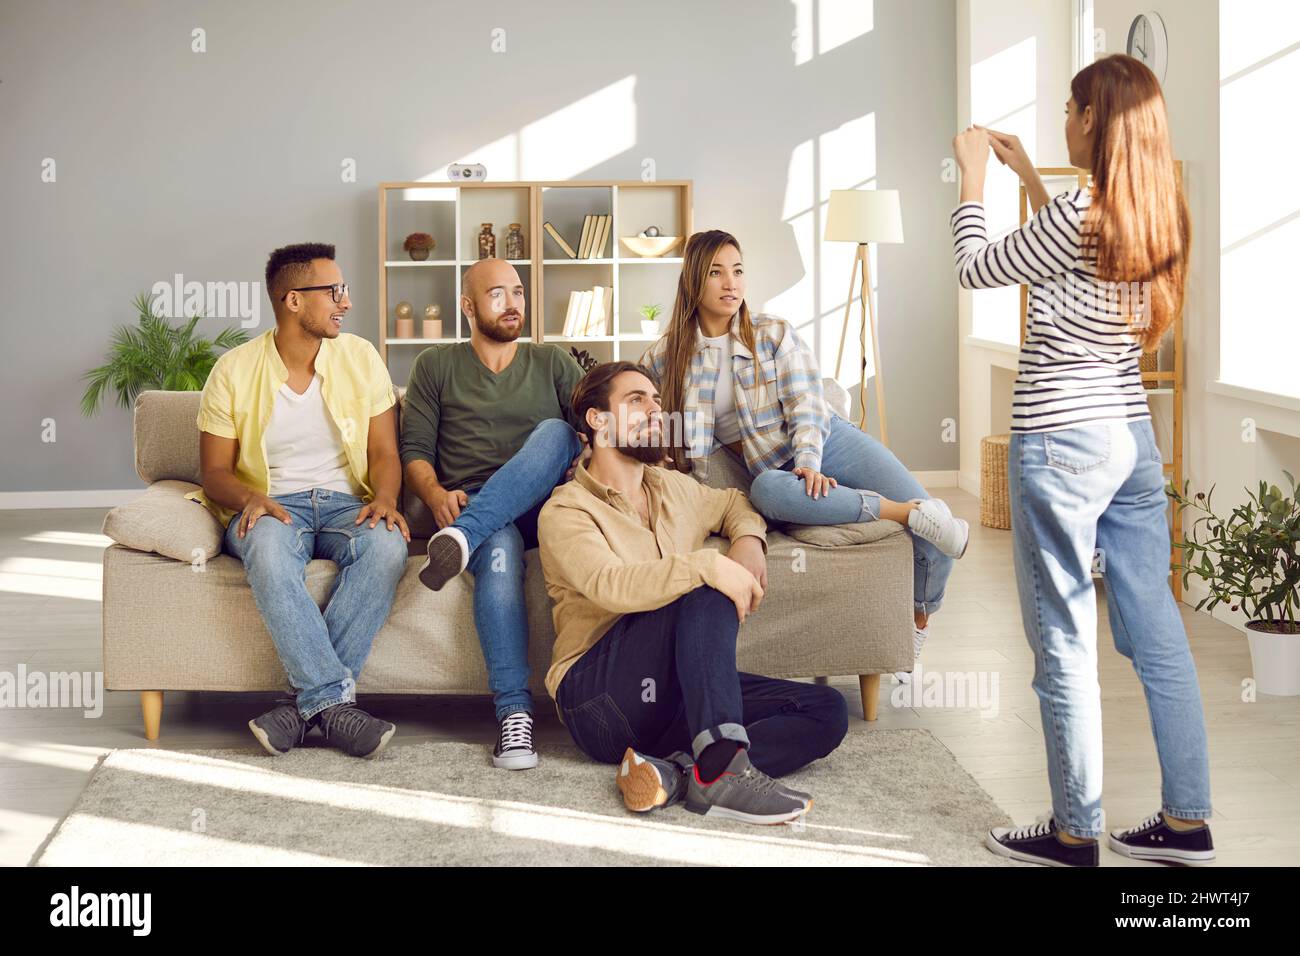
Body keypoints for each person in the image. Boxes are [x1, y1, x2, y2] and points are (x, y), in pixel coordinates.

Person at [951, 53, 1214, 866]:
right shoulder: (1154, 214)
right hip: (1131, 441)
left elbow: (975, 267)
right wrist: (1030, 174)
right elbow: (1062, 256)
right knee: (1156, 632)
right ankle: (1187, 821)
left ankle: (1074, 834)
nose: (1063, 120)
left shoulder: (1081, 213)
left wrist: (971, 181)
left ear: (1095, 120)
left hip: (1060, 440)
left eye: (1070, 108)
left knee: (1063, 640)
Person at [641, 229, 970, 682]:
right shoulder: (665, 357)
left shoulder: (773, 333)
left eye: (738, 271)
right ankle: (904, 513)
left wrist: (810, 462)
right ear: (694, 280)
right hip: (772, 473)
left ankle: (918, 618)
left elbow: (808, 406)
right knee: (767, 490)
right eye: (716, 273)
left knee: (939, 528)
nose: (730, 283)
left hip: (827, 441)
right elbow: (646, 417)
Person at [538, 361, 848, 825]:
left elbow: (733, 503)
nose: (655, 411)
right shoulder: (566, 510)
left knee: (826, 709)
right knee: (705, 585)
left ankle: (688, 772)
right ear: (597, 420)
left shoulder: (672, 487)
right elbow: (610, 585)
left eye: (657, 402)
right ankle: (721, 767)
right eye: (636, 400)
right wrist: (707, 564)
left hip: (673, 697)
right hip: (598, 700)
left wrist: (747, 541)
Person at [192, 242, 410, 759]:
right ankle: (335, 708)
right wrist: (252, 497)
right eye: (333, 291)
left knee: (387, 547)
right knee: (266, 551)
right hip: (271, 504)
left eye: (344, 289)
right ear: (293, 300)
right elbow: (214, 473)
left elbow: (384, 451)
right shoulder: (233, 370)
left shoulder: (361, 357)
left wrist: (384, 498)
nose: (346, 302)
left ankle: (305, 707)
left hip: (346, 503)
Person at [400, 257, 585, 770]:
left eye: (519, 292)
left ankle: (463, 537)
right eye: (497, 294)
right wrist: (436, 494)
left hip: (548, 507)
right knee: (499, 551)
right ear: (467, 306)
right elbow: (414, 448)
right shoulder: (436, 365)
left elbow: (591, 431)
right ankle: (513, 717)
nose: (513, 304)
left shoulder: (551, 362)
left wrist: (580, 461)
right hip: (482, 507)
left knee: (557, 433)